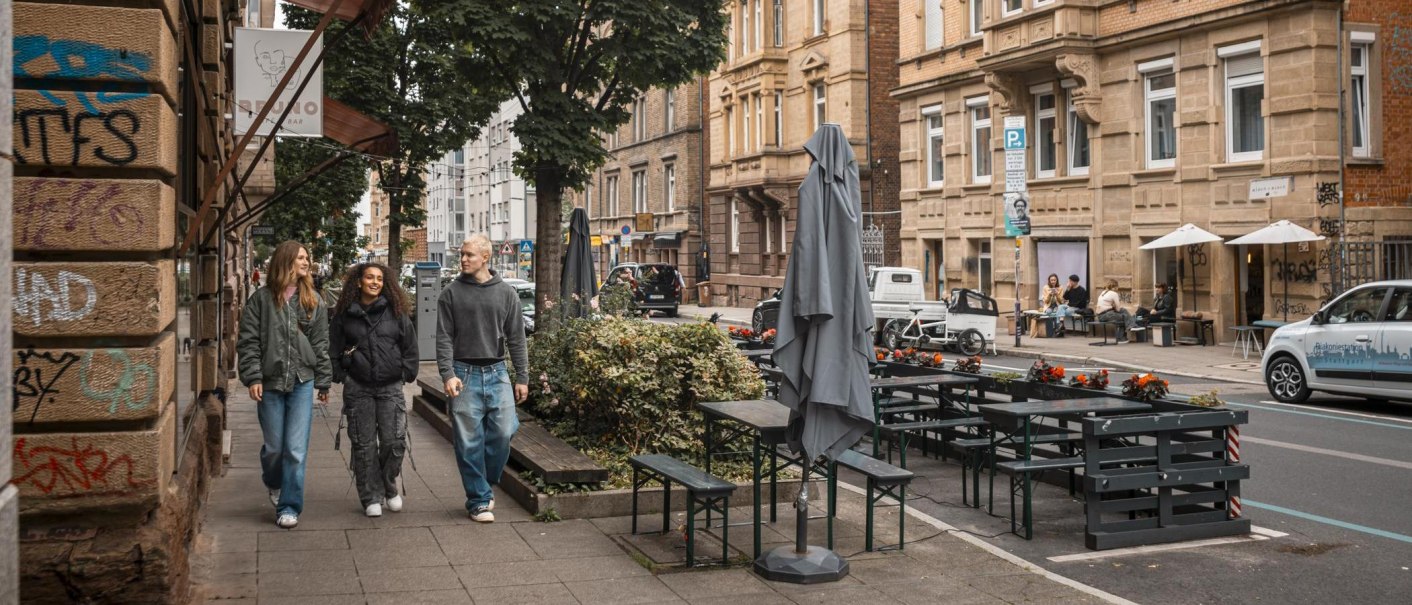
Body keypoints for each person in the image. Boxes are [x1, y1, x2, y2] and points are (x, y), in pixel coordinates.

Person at [237, 240, 332, 529]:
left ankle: (289, 506)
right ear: (286, 261)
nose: (306, 262)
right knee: (275, 448)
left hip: (303, 380)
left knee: (295, 449)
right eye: (301, 258)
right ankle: (273, 480)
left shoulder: (314, 300)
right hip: (270, 382)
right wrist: (253, 376)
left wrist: (324, 382)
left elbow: (320, 344)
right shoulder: (261, 300)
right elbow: (249, 341)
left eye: (307, 258)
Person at [436, 235, 529, 523]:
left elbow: (517, 337)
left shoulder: (506, 293)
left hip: (498, 372)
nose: (463, 259)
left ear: (486, 257)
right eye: (462, 255)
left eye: (469, 255)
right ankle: (478, 499)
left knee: (504, 432)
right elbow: (443, 338)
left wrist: (522, 376)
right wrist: (447, 374)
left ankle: (484, 482)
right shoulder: (450, 294)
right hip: (463, 374)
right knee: (467, 442)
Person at [330, 263, 418, 518]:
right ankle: (370, 495)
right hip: (358, 387)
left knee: (394, 441)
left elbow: (410, 347)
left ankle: (390, 486)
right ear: (359, 281)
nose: (375, 282)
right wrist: (342, 375)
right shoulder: (345, 314)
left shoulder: (396, 311)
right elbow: (334, 348)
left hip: (390, 386)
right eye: (369, 277)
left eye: (379, 278)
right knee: (363, 444)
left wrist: (404, 373)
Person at [1095, 278, 1136, 343]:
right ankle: (1122, 337)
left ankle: (1132, 325)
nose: (1118, 288)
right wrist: (1114, 307)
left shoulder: (1103, 292)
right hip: (1107, 314)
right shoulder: (1114, 294)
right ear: (1115, 287)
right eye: (1117, 287)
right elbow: (1118, 309)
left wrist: (1113, 306)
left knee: (1124, 311)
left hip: (1100, 316)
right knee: (1124, 317)